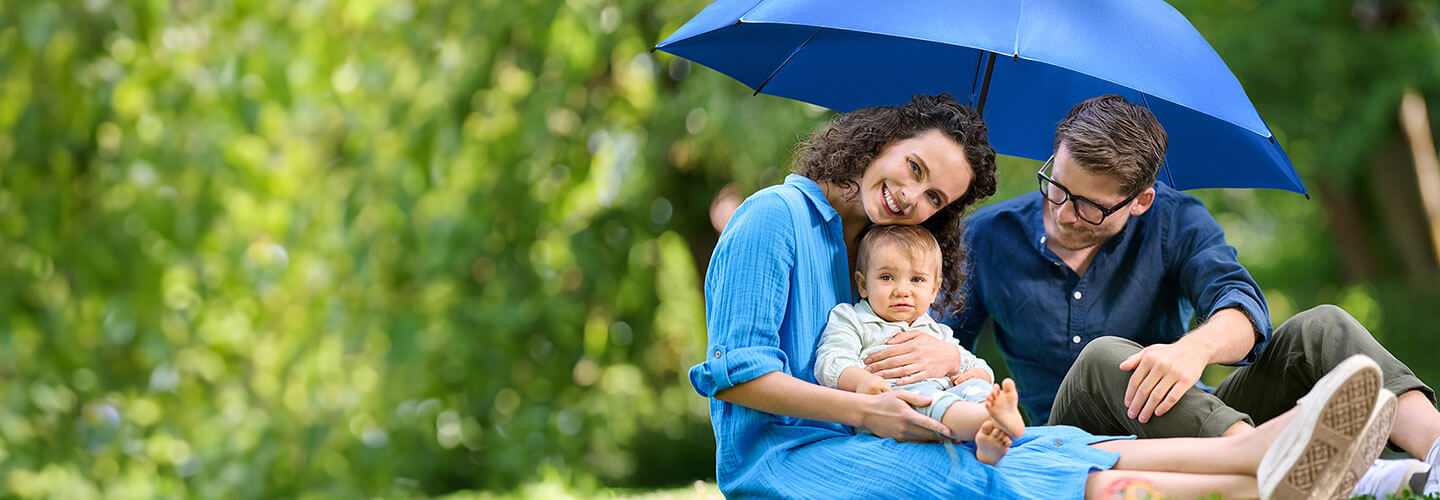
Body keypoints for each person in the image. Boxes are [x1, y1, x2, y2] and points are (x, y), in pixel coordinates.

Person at [692, 92, 1393, 499]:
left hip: (863, 429)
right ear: (879, 137)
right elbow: (737, 374)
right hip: (786, 458)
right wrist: (865, 410)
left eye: (935, 196)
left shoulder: (866, 253)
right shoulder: (775, 218)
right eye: (913, 168)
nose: (911, 197)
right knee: (977, 474)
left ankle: (1261, 459)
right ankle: (1254, 471)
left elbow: (932, 349)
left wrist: (959, 380)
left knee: (1042, 439)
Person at [901, 94, 1440, 497]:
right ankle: (1290, 465)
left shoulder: (1176, 220)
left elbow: (1241, 307)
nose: (1064, 213)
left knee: (1322, 326)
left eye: (1091, 206)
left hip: (1183, 421)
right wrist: (957, 367)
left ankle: (1433, 461)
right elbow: (942, 345)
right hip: (1068, 439)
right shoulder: (987, 236)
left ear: (1140, 202)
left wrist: (1194, 349)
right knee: (1107, 356)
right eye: (1057, 186)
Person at [813, 224, 1024, 465]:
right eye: (886, 277)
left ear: (934, 290)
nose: (902, 290)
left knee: (976, 387)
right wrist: (861, 380)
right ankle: (987, 420)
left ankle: (988, 441)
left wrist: (979, 373)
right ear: (862, 284)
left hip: (945, 397)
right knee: (923, 398)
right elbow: (831, 360)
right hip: (894, 405)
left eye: (917, 279)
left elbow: (967, 361)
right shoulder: (853, 319)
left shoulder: (936, 330)